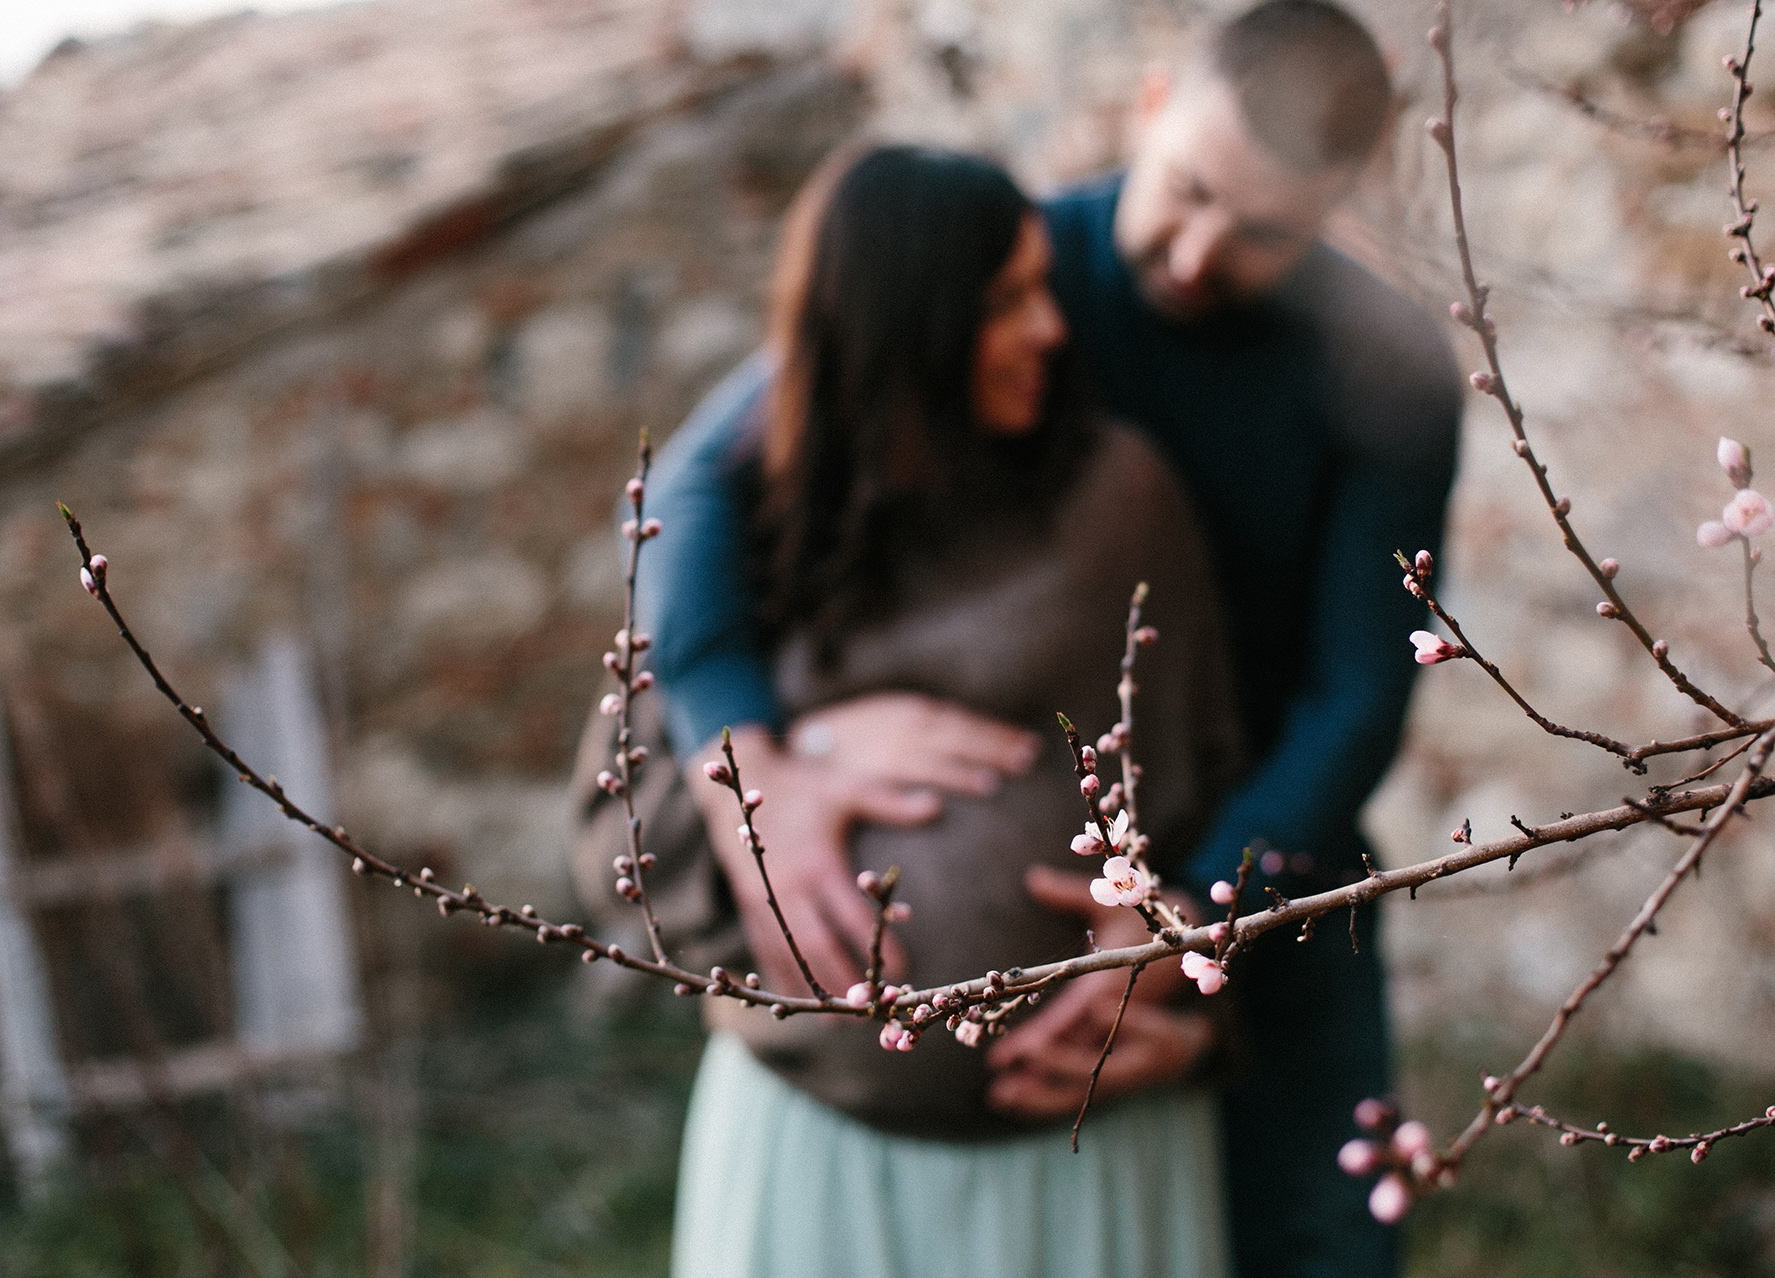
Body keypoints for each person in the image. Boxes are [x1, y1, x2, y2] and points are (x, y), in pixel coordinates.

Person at [637, 4, 1461, 1274]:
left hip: (1272, 881)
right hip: (938, 1021)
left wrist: (1197, 922)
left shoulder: (1390, 378)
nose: (1197, 251)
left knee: (1317, 1248)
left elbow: (1356, 695)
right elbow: (703, 481)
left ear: (1345, 198)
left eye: (1261, 231)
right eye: (1188, 189)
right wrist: (753, 753)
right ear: (1149, 106)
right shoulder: (1006, 268)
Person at [604, 143, 1243, 1277]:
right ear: (910, 327)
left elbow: (1212, 793)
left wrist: (1178, 956)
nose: (1053, 328)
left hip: (1088, 1164)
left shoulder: (1117, 503)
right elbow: (613, 829)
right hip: (817, 1165)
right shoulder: (746, 533)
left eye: (1046, 287)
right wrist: (800, 758)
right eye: (1007, 302)